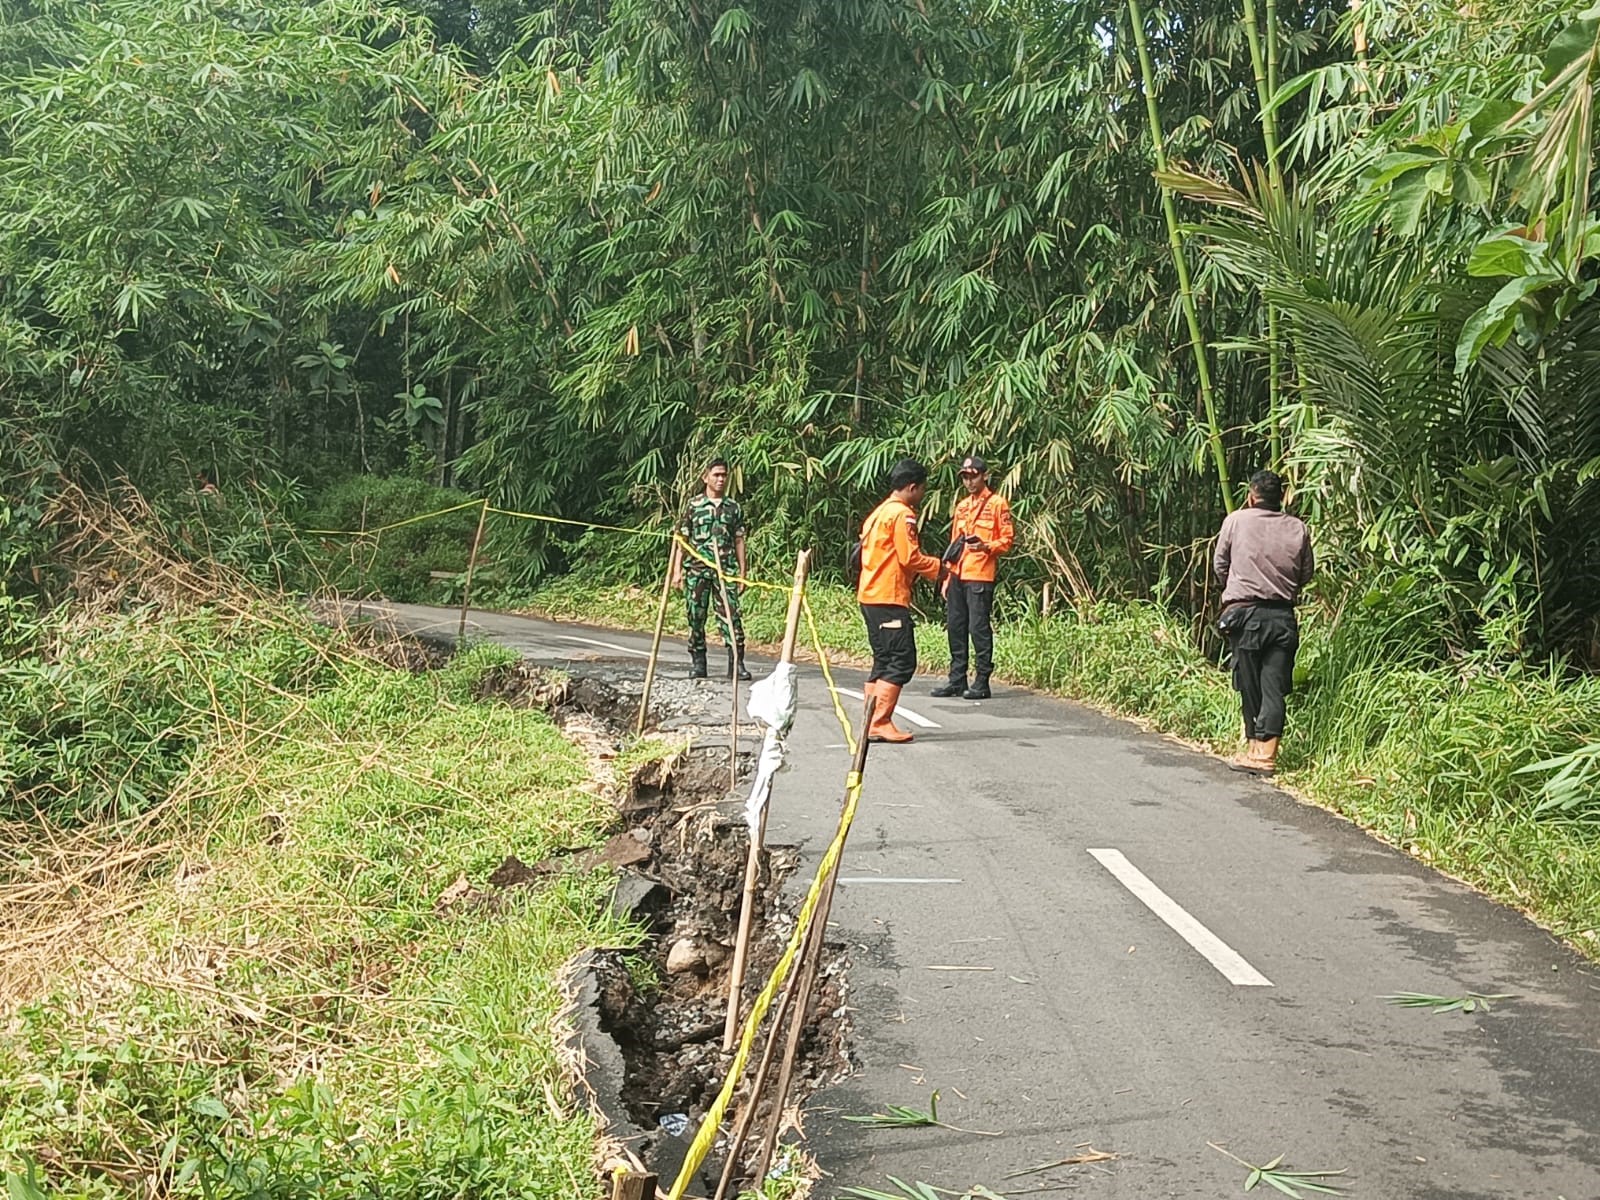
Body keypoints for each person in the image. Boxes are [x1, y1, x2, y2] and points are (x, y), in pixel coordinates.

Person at [1214, 469, 1314, 775]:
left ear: (1251, 496)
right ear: (1282, 497)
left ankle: (1257, 750)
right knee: (1274, 686)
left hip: (1246, 615)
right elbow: (1306, 573)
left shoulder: (1235, 521)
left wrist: (1233, 588)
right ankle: (1264, 754)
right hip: (1283, 617)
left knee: (1249, 683)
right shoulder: (1298, 528)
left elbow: (1220, 564)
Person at [856, 458, 943, 743]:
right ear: (912, 487)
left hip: (870, 595)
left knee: (883, 659)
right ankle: (879, 722)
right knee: (901, 660)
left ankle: (871, 720)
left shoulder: (877, 513)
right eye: (922, 490)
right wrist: (940, 569)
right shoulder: (902, 515)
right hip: (888, 597)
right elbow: (910, 557)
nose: (922, 496)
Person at [930, 455, 1014, 700]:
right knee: (955, 627)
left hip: (980, 575)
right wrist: (946, 576)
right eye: (965, 477)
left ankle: (982, 680)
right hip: (958, 573)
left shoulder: (998, 504)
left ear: (984, 475)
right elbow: (954, 543)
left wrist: (987, 547)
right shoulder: (963, 506)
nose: (969, 481)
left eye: (973, 475)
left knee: (978, 628)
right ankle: (957, 679)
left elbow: (1007, 540)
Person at [670, 458, 751, 681]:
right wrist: (677, 571)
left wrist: (743, 574)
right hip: (697, 571)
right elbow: (682, 541)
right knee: (695, 616)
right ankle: (698, 662)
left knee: (731, 617)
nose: (720, 479)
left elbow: (739, 541)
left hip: (725, 571)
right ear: (705, 477)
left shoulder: (733, 508)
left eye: (724, 475)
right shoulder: (694, 506)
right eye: (716, 475)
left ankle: (737, 664)